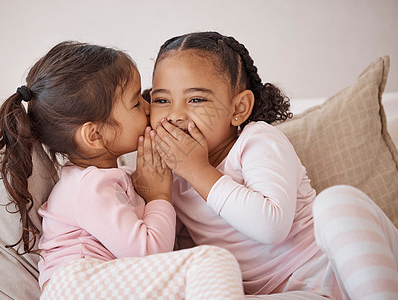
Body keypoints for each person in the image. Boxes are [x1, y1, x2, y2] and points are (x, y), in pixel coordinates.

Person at [0, 41, 245, 299]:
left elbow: (158, 244)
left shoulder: (117, 179)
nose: (149, 108)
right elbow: (150, 252)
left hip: (104, 281)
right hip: (76, 286)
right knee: (213, 261)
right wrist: (158, 197)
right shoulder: (88, 187)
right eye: (136, 102)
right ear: (95, 135)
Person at [146, 31, 398, 299]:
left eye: (196, 99)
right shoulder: (169, 175)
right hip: (288, 292)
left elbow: (271, 226)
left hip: (334, 262)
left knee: (336, 202)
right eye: (161, 100)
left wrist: (197, 171)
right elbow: (167, 250)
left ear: (238, 108)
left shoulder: (256, 141)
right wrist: (154, 192)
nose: (174, 115)